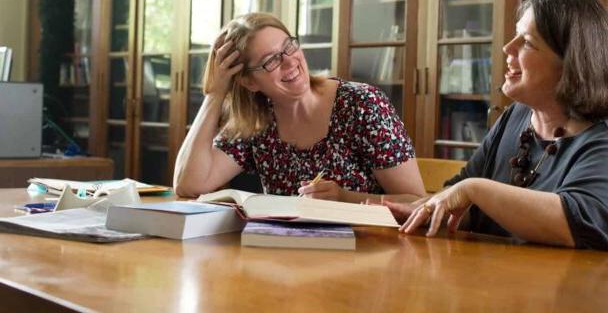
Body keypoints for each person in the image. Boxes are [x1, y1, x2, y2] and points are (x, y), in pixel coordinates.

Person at [389, 0, 608, 260]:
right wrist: (419, 211)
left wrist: (475, 190)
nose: (506, 47)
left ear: (571, 63)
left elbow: (577, 224)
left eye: (526, 42)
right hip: (527, 291)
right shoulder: (518, 116)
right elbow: (463, 202)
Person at [174, 12, 426, 204]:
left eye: (289, 46)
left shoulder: (362, 104)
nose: (289, 62)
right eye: (271, 60)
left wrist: (344, 197)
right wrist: (215, 94)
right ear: (249, 82)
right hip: (287, 260)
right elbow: (189, 186)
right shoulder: (257, 120)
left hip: (371, 254)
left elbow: (417, 202)